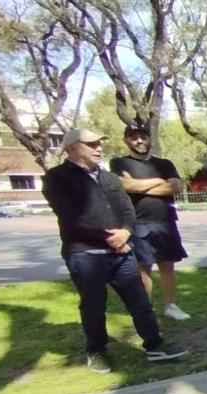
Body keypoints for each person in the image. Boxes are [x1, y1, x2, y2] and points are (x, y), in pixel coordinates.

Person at [41, 128, 187, 373]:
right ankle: (96, 351)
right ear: (72, 148)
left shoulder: (108, 177)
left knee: (140, 302)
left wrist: (127, 231)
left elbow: (127, 208)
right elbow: (70, 216)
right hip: (85, 254)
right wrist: (109, 237)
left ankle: (155, 345)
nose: (98, 148)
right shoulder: (57, 178)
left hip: (121, 252)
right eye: (91, 144)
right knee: (94, 306)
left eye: (99, 144)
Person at [110, 124, 192, 320]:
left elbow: (175, 186)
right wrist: (158, 182)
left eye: (143, 136)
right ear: (126, 140)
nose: (139, 141)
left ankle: (171, 305)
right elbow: (124, 185)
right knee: (143, 267)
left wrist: (138, 186)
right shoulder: (119, 163)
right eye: (134, 137)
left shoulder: (164, 163)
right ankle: (146, 310)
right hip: (137, 222)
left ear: (149, 138)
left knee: (167, 265)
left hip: (165, 221)